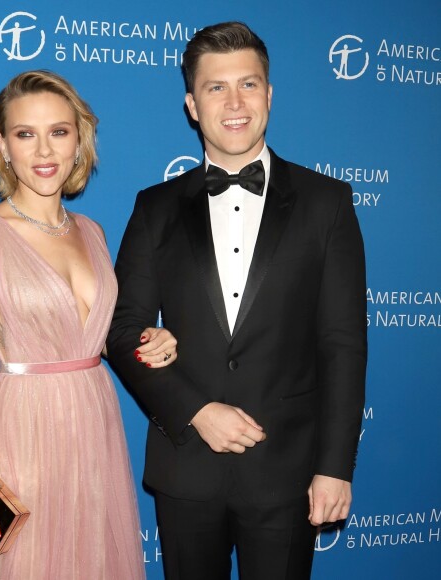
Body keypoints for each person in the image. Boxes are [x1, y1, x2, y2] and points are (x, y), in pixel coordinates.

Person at [107, 21, 367, 580]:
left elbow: (343, 345)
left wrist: (334, 467)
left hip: (289, 471)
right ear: (192, 105)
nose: (234, 102)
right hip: (186, 468)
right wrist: (198, 412)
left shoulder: (328, 204)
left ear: (269, 95)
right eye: (215, 87)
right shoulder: (154, 208)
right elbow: (121, 329)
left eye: (248, 85)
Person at [0, 70, 178, 579]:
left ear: (79, 141)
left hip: (92, 427)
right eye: (25, 134)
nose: (44, 150)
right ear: (1, 144)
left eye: (59, 132)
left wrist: (152, 338)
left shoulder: (92, 232)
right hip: (18, 434)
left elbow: (98, 338)